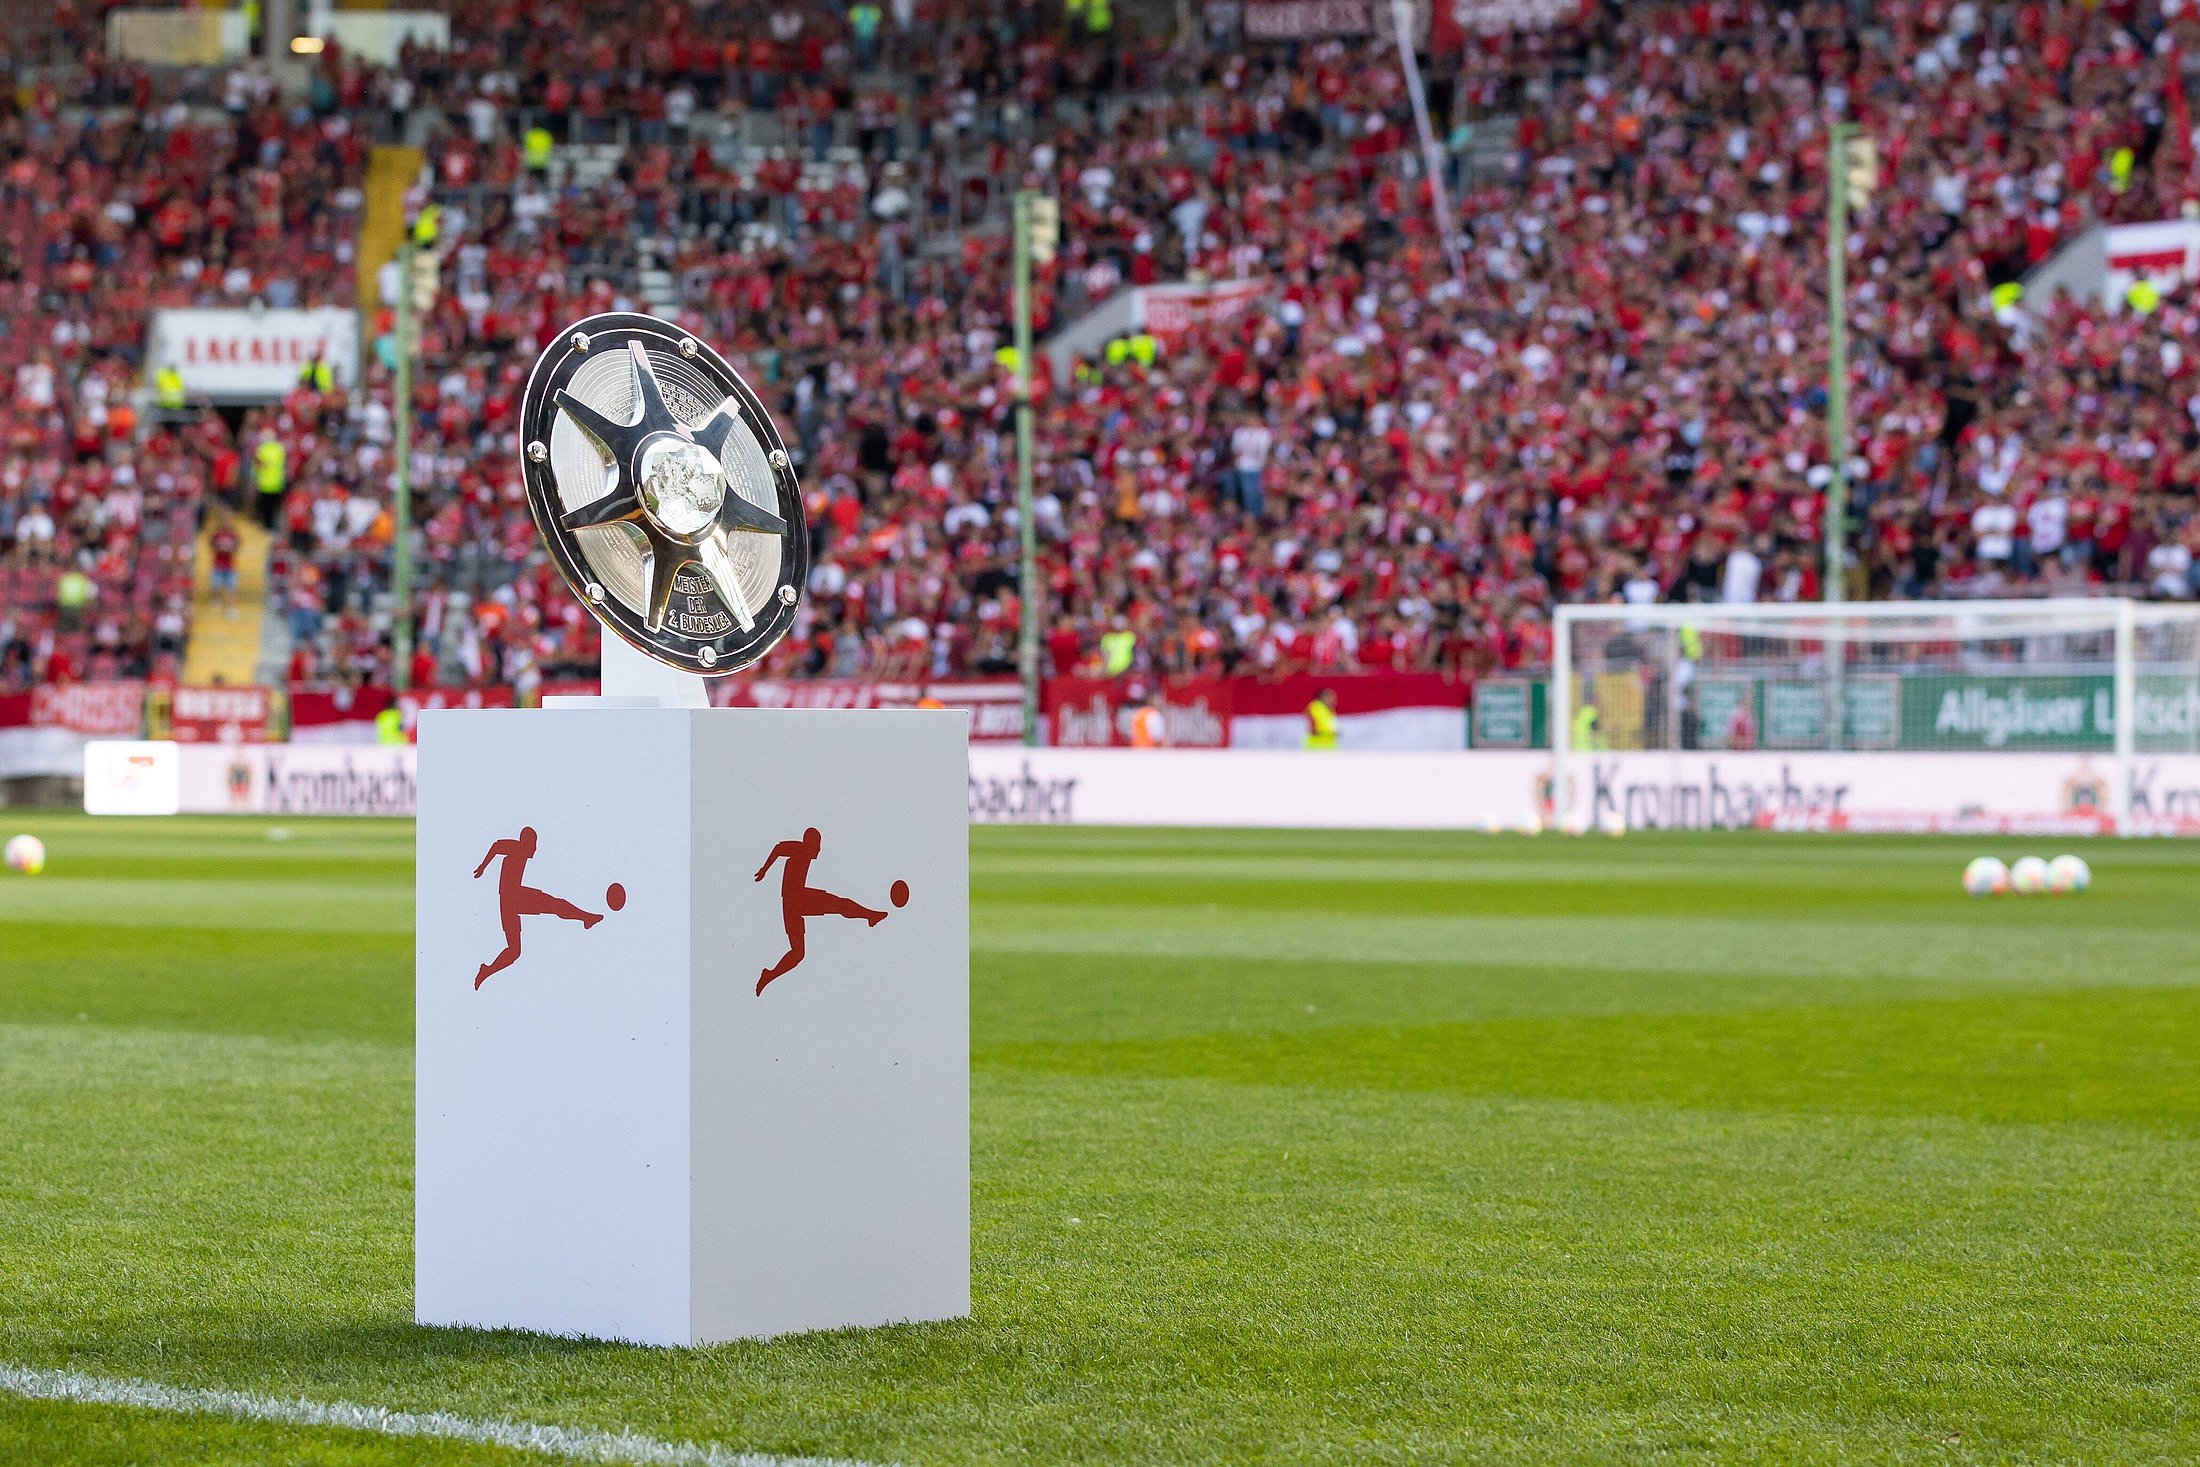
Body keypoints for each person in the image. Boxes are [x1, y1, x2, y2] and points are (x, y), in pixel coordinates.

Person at [754, 827, 888, 994]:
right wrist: (764, 869)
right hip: (798, 898)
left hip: (791, 905)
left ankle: (769, 975)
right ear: (812, 843)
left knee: (798, 953)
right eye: (818, 844)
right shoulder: (800, 848)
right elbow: (779, 848)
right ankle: (869, 915)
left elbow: (779, 850)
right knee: (839, 904)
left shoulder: (804, 852)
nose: (819, 850)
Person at [471, 826, 603, 988]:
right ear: (527, 843)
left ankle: (487, 971)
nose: (535, 849)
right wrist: (483, 866)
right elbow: (497, 846)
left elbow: (497, 847)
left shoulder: (521, 851)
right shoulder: (517, 847)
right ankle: (586, 918)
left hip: (510, 901)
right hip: (514, 897)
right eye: (534, 844)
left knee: (516, 949)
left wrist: (484, 867)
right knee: (555, 906)